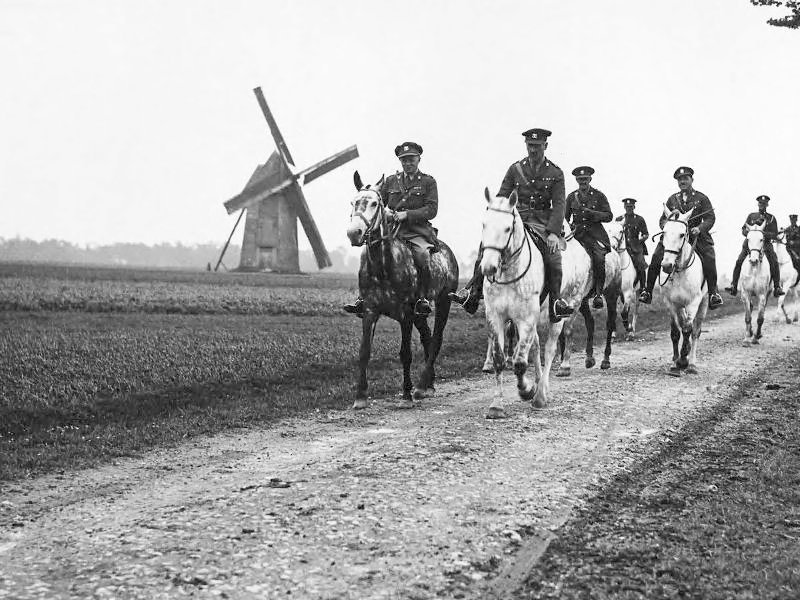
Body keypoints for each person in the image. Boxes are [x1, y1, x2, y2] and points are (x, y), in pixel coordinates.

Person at [449, 128, 574, 322]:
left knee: (554, 257)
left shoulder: (555, 172)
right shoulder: (515, 169)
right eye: (530, 146)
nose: (533, 150)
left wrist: (553, 233)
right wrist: (496, 218)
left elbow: (559, 204)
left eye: (537, 146)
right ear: (526, 145)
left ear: (545, 146)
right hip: (516, 217)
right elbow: (501, 195)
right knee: (486, 246)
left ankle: (556, 303)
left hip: (541, 221)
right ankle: (472, 292)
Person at [343, 141, 438, 317]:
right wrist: (384, 214)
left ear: (418, 159)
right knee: (367, 254)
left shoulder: (428, 182)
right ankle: (363, 298)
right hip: (393, 231)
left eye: (411, 159)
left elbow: (431, 210)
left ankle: (421, 299)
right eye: (404, 160)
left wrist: (407, 214)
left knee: (422, 255)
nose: (408, 163)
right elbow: (380, 204)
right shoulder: (391, 181)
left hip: (418, 231)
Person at [638, 166, 723, 309]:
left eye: (685, 178)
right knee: (657, 256)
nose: (682, 181)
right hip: (675, 237)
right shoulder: (672, 199)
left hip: (695, 236)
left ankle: (713, 293)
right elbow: (662, 221)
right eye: (680, 179)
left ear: (691, 180)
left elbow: (710, 218)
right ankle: (648, 291)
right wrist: (670, 221)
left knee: (709, 256)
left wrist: (700, 228)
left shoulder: (701, 198)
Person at [565, 166, 612, 308]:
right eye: (580, 180)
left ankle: (598, 294)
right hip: (577, 235)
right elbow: (565, 218)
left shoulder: (599, 196)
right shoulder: (572, 197)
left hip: (594, 234)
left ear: (590, 179)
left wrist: (593, 214)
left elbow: (609, 216)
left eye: (585, 179)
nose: (582, 182)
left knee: (598, 258)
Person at [724, 195, 784, 297]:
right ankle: (733, 285)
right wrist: (750, 233)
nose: (762, 205)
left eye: (764, 204)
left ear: (767, 205)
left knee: (774, 261)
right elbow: (743, 229)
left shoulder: (771, 218)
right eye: (760, 203)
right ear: (758, 204)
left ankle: (777, 287)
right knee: (739, 261)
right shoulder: (751, 216)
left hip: (765, 244)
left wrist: (763, 234)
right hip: (751, 244)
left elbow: (774, 234)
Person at [615, 197, 649, 293]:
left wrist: (640, 240)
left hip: (636, 246)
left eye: (630, 206)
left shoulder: (639, 219)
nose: (628, 208)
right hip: (622, 246)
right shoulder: (619, 219)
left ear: (634, 207)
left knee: (640, 264)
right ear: (624, 207)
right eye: (627, 206)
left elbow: (646, 234)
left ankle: (643, 289)